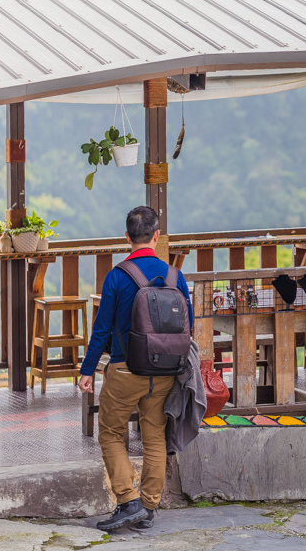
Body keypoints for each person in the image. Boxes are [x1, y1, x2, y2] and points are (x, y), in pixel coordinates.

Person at [77, 207, 194, 532]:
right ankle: (148, 507)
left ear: (127, 237)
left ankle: (128, 501)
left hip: (126, 371)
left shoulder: (118, 276)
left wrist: (87, 369)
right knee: (155, 434)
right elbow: (189, 328)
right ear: (157, 236)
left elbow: (102, 329)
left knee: (111, 432)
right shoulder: (175, 277)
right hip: (167, 370)